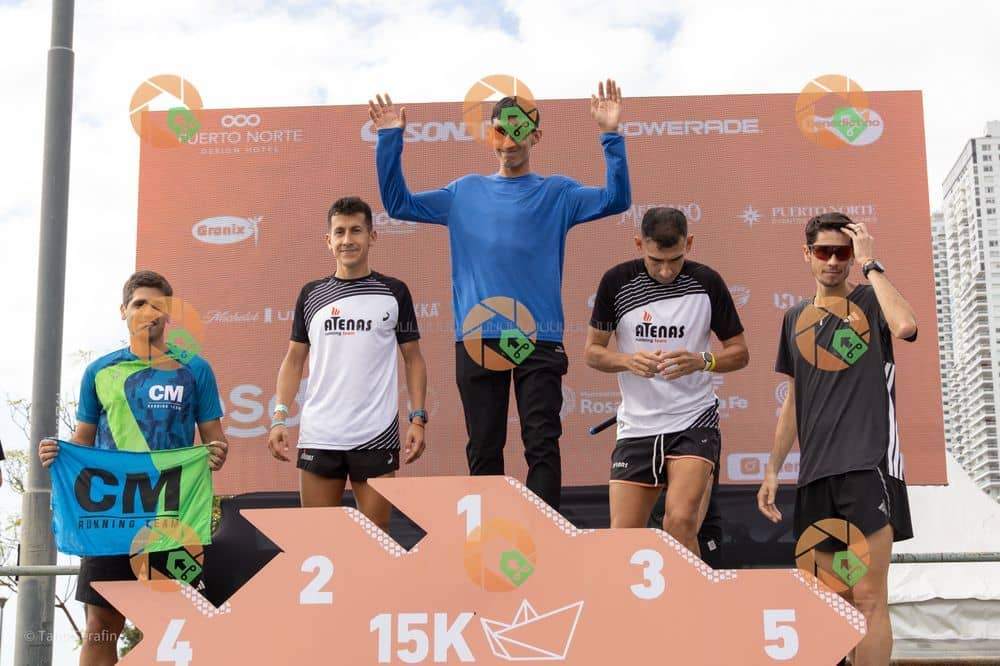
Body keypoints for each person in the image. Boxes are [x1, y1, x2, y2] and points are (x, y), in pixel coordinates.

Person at [369, 80, 631, 509]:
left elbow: (616, 199)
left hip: (537, 336)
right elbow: (398, 204)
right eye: (500, 131)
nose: (508, 141)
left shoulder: (558, 193)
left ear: (535, 136)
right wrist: (389, 138)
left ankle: (543, 534)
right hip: (479, 335)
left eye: (518, 131)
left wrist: (610, 134)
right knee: (484, 446)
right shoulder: (463, 192)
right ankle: (489, 534)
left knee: (541, 442)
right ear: (489, 134)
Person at [38, 270, 228, 666]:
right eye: (139, 304)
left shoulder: (196, 370)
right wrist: (60, 453)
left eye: (158, 305)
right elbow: (83, 438)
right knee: (101, 627)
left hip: (172, 516)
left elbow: (215, 440)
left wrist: (215, 454)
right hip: (111, 517)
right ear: (123, 310)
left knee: (171, 629)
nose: (148, 312)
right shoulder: (99, 371)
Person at [757, 212, 916, 666]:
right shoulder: (795, 318)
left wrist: (871, 263)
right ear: (807, 254)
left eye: (841, 252)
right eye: (823, 251)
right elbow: (794, 400)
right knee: (833, 601)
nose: (832, 261)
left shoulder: (870, 300)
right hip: (816, 477)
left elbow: (906, 326)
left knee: (867, 597)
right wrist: (772, 469)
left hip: (867, 468)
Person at [585, 207, 748, 555]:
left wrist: (702, 361)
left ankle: (692, 592)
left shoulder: (707, 282)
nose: (665, 270)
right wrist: (628, 361)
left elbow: (739, 353)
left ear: (689, 243)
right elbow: (593, 352)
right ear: (638, 244)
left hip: (693, 420)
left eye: (675, 260)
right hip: (637, 424)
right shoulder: (616, 282)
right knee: (623, 538)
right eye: (655, 260)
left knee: (680, 522)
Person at [267, 196, 427, 531]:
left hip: (376, 435)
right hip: (320, 435)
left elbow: (413, 359)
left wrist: (418, 419)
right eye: (339, 232)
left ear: (372, 236)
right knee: (320, 541)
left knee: (375, 542)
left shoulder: (394, 292)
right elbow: (294, 360)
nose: (347, 240)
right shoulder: (311, 294)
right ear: (328, 240)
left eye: (356, 230)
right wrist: (279, 416)